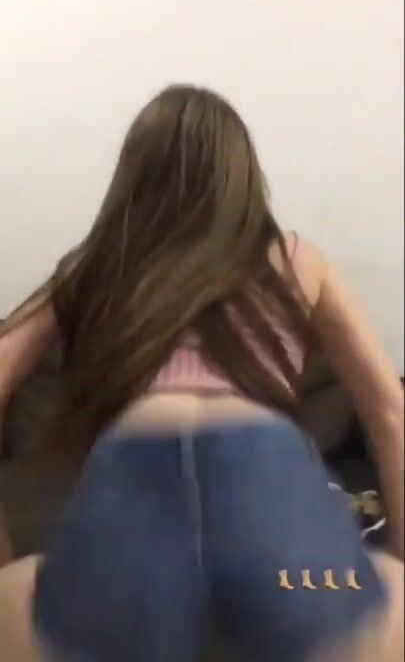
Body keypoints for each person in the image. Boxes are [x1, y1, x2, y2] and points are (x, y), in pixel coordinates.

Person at [0, 85, 403, 661]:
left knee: (21, 595)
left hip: (128, 497)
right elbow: (390, 410)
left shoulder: (93, 264)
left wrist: (5, 561)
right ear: (243, 177)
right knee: (379, 596)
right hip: (273, 503)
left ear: (132, 177)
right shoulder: (294, 257)